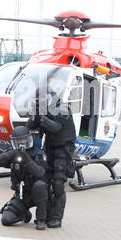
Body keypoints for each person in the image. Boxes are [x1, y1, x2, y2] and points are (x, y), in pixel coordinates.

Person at [27, 91, 76, 229]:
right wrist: (34, 118)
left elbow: (55, 127)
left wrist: (42, 117)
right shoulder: (44, 111)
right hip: (49, 149)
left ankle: (56, 218)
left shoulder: (62, 109)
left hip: (63, 150)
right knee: (43, 181)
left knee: (58, 184)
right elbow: (30, 127)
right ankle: (46, 215)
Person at [0, 126, 51, 230]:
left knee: (40, 185)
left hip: (39, 195)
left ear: (28, 139)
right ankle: (24, 214)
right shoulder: (15, 153)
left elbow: (40, 173)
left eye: (23, 140)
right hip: (22, 195)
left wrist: (26, 158)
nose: (21, 142)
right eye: (18, 141)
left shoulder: (38, 154)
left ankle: (41, 219)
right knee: (6, 220)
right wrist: (13, 153)